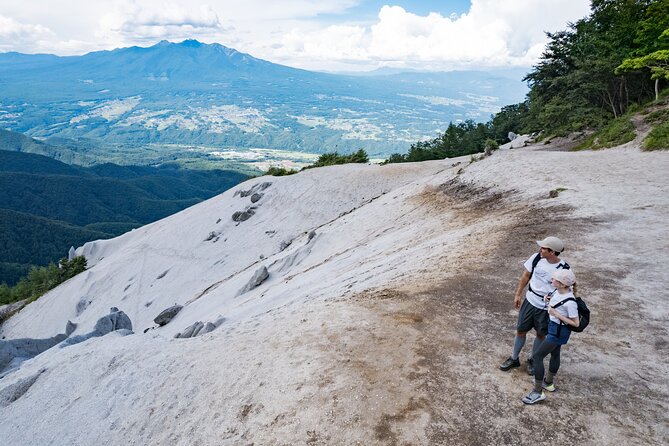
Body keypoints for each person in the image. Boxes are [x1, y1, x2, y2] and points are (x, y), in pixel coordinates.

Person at [499, 236, 571, 375]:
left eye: (544, 248)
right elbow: (526, 276)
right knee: (521, 330)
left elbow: (567, 291)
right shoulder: (536, 258)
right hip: (530, 301)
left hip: (546, 308)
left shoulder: (564, 269)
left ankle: (532, 359)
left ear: (552, 252)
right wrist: (518, 294)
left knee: (540, 334)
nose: (540, 250)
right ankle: (514, 358)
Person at [522, 269, 579, 404]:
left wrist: (557, 314)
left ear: (563, 284)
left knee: (537, 356)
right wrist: (548, 300)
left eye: (554, 279)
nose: (551, 280)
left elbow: (576, 323)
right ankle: (548, 382)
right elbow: (554, 303)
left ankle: (537, 391)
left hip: (559, 331)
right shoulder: (557, 292)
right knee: (555, 353)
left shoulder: (570, 302)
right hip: (553, 327)